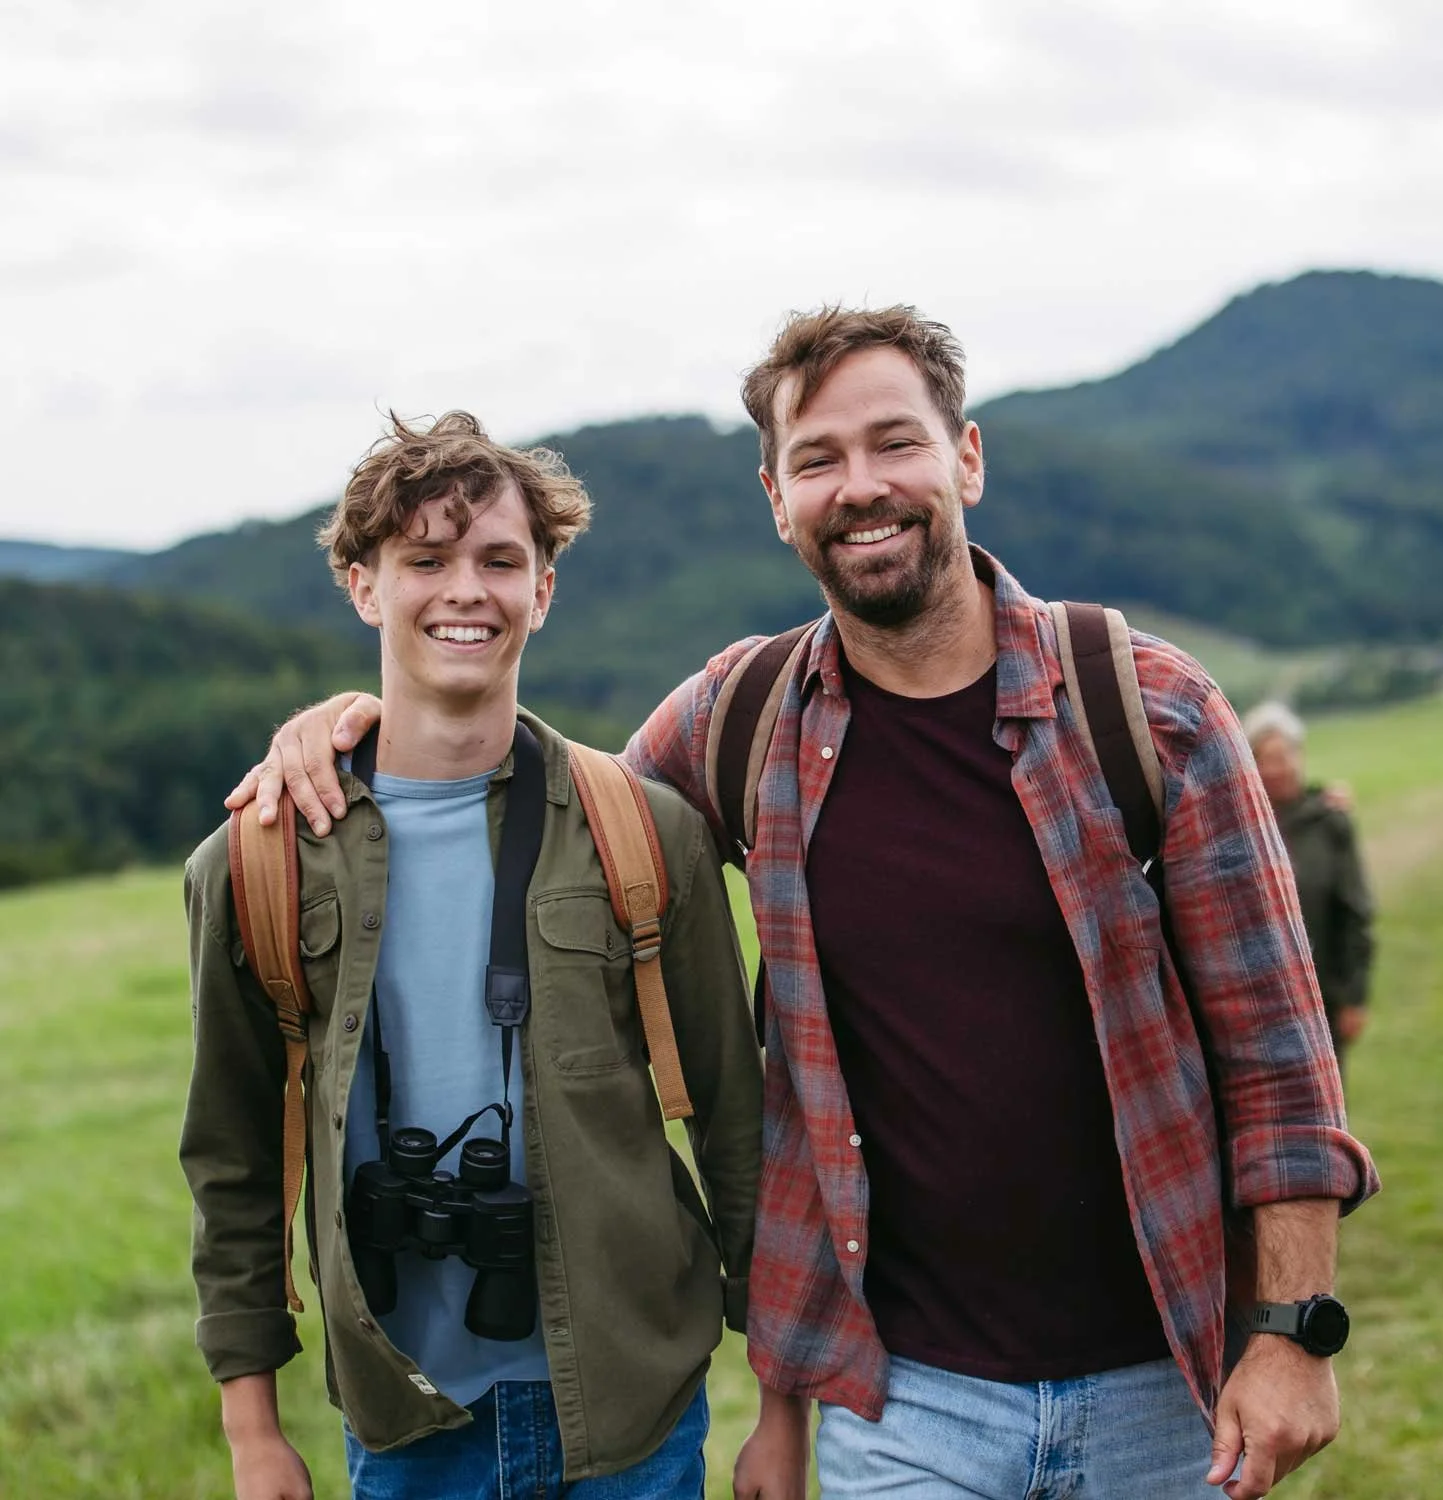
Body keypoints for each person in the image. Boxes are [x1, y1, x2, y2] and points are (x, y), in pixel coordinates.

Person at [231, 310, 1379, 1500]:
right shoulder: (741, 722)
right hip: (900, 1399)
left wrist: (1294, 1330)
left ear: (967, 458)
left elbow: (1280, 1059)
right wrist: (348, 730)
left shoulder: (1150, 710)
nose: (862, 487)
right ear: (777, 498)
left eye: (897, 444)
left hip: (1165, 1378)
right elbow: (551, 814)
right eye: (819, 460)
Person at [182, 412, 763, 1500]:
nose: (467, 591)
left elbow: (737, 1123)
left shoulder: (643, 832)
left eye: (501, 561)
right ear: (363, 584)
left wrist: (782, 1405)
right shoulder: (255, 864)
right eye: (425, 560)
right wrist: (252, 1431)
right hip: (409, 1420)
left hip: (635, 1418)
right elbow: (232, 1158)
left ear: (543, 590)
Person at [1243, 701, 1376, 1073]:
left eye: (1285, 756)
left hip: (1324, 994)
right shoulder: (1242, 827)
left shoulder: (1330, 822)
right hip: (1261, 997)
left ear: (1300, 756)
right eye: (1266, 758)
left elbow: (1354, 912)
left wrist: (1354, 996)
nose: (1278, 768)